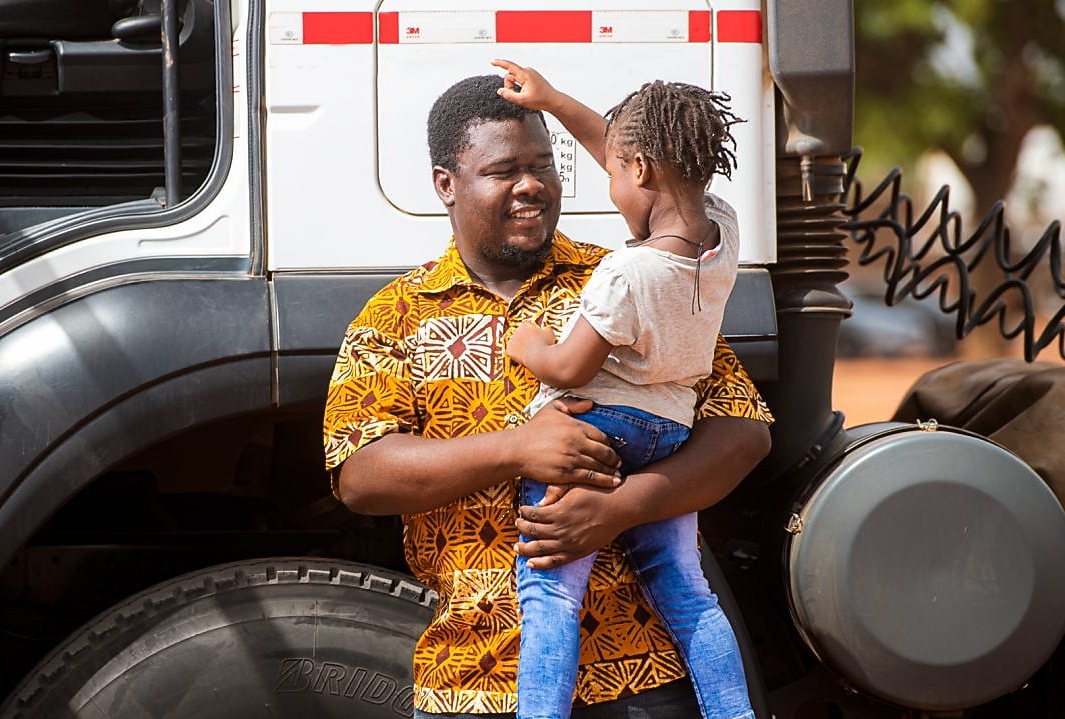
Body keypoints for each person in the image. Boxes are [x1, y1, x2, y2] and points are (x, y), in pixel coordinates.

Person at [322, 71, 772, 718]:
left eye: (542, 166)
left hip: (642, 682)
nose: (531, 184)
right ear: (446, 184)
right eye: (504, 171)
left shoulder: (625, 275)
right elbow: (360, 474)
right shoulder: (396, 314)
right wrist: (519, 449)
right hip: (474, 684)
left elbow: (742, 429)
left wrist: (622, 508)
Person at [493, 60, 753, 719]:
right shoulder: (722, 232)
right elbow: (628, 154)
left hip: (597, 428)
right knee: (690, 595)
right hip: (670, 433)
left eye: (614, 173)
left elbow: (571, 368)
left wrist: (530, 347)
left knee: (551, 594)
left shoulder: (627, 273)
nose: (611, 188)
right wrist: (554, 100)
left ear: (640, 169)